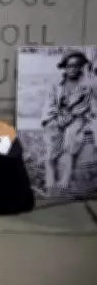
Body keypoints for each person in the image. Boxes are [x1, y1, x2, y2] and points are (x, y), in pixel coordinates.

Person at [41, 50, 96, 196]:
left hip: (78, 118)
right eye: (69, 66)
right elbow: (50, 104)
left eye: (76, 66)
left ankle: (66, 176)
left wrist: (83, 114)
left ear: (81, 67)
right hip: (59, 117)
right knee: (52, 136)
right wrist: (55, 118)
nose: (73, 69)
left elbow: (91, 105)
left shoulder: (87, 85)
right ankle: (50, 175)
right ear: (64, 67)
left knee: (72, 134)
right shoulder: (57, 84)